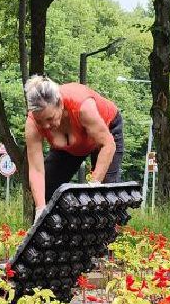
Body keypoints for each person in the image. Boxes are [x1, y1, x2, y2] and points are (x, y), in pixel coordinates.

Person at [23, 75, 124, 210]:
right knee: (45, 191)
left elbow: (108, 145)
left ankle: (111, 229)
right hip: (71, 146)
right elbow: (36, 170)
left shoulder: (83, 107)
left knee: (106, 197)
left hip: (106, 134)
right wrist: (40, 208)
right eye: (40, 121)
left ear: (60, 104)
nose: (46, 126)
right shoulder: (32, 124)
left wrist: (94, 185)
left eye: (49, 118)